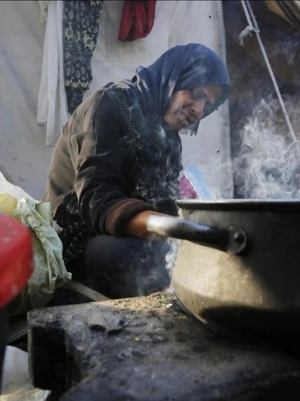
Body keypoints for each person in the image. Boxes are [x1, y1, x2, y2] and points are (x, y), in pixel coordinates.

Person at [44, 43, 231, 301]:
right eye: (197, 93)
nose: (199, 110)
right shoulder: (110, 106)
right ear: (172, 77)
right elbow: (96, 200)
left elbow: (165, 202)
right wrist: (167, 229)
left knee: (195, 256)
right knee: (150, 258)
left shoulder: (169, 136)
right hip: (76, 239)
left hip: (126, 236)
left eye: (207, 105)